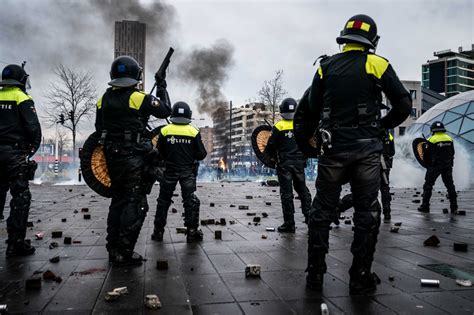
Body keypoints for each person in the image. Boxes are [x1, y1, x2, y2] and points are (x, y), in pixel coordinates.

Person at [304, 14, 412, 294]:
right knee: (367, 212)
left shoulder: (324, 67)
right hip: (366, 150)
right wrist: (381, 127)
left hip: (333, 149)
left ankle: (315, 275)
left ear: (344, 37)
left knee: (321, 211)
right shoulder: (377, 63)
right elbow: (403, 104)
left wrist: (308, 146)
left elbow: (310, 109)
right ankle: (359, 275)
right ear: (372, 40)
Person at [95, 56, 171, 266]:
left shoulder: (103, 98)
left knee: (118, 200)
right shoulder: (137, 98)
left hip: (112, 156)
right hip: (134, 158)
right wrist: (162, 85)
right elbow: (166, 110)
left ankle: (113, 249)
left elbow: (99, 128)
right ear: (136, 76)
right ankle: (124, 251)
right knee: (135, 203)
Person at [0, 64, 41, 257]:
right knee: (20, 198)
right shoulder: (22, 98)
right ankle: (15, 244)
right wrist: (28, 152)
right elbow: (33, 129)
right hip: (14, 155)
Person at [151, 102, 207, 243]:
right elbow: (201, 154)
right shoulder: (193, 131)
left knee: (163, 201)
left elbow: (159, 152)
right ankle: (192, 232)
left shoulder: (164, 131)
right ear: (189, 114)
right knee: (190, 201)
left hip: (169, 171)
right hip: (187, 172)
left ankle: (158, 232)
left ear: (173, 114)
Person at [265, 98, 312, 232]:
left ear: (282, 110)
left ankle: (289, 223)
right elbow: (309, 143)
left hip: (284, 164)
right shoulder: (301, 125)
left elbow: (271, 146)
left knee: (286, 194)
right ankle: (310, 218)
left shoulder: (278, 126)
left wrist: (271, 157)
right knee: (302, 190)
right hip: (299, 163)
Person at [418, 121, 457, 213]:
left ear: (433, 130)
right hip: (447, 166)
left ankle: (425, 206)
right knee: (450, 186)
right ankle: (454, 207)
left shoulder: (431, 139)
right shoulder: (449, 139)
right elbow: (453, 153)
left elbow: (426, 155)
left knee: (428, 185)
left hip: (435, 166)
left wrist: (427, 165)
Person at [380, 129, 395, 222]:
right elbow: (392, 152)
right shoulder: (389, 136)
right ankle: (387, 212)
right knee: (385, 188)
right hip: (384, 165)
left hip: (371, 165)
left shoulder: (370, 132)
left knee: (367, 190)